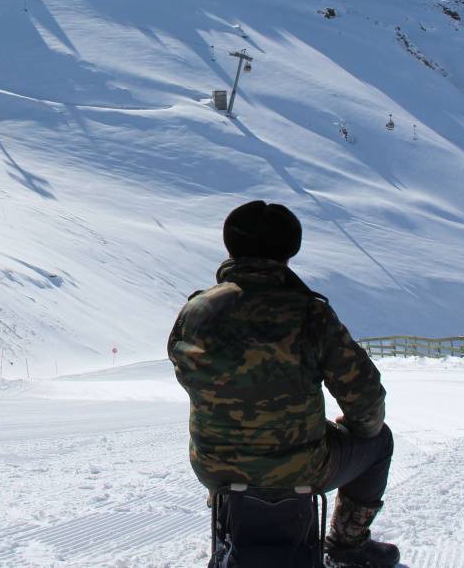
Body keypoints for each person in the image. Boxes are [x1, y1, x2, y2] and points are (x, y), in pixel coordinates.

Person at [167, 200, 399, 567]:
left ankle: (232, 524)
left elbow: (187, 372)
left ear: (231, 246)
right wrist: (356, 430)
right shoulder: (310, 312)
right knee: (380, 440)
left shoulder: (196, 312)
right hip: (302, 469)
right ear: (290, 251)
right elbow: (366, 399)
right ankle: (346, 546)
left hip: (215, 468)